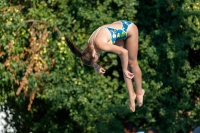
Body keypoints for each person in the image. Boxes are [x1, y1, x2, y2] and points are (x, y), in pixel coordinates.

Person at [65, 20, 145, 112]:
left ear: (94, 54)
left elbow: (124, 52)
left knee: (131, 63)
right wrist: (96, 66)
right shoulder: (89, 46)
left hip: (128, 28)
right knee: (124, 62)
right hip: (116, 31)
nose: (98, 59)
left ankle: (139, 91)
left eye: (97, 59)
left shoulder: (100, 45)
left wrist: (124, 70)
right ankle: (131, 95)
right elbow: (89, 58)